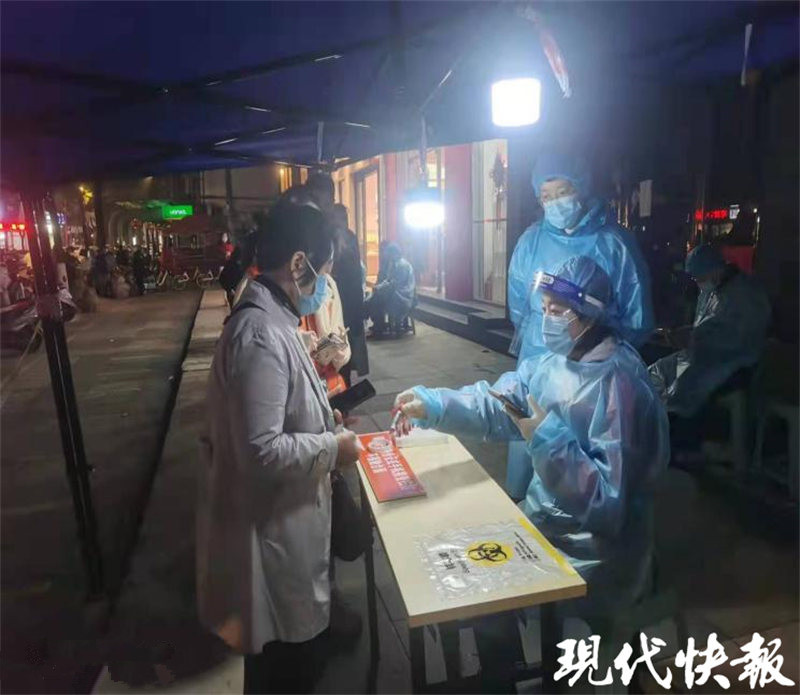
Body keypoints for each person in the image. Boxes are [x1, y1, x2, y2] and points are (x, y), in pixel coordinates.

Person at [395, 256, 669, 611]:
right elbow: (500, 403)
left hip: (596, 552)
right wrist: (434, 405)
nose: (546, 320)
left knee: (482, 602)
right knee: (467, 581)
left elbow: (607, 504)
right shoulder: (556, 362)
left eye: (557, 311)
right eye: (544, 309)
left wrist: (545, 440)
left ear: (589, 314)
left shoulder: (618, 384)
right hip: (547, 522)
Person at [196, 201, 362, 694]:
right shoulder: (260, 335)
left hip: (287, 525)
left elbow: (279, 413)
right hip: (273, 540)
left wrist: (323, 419)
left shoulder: (276, 323)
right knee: (288, 671)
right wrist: (332, 448)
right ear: (298, 263)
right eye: (322, 273)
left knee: (296, 657)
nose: (323, 286)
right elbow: (261, 450)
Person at [504, 147, 655, 501]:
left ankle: (569, 518)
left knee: (583, 467)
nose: (555, 202)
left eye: (563, 191)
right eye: (546, 196)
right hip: (537, 356)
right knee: (529, 434)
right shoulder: (531, 241)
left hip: (593, 372)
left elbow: (635, 317)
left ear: (582, 189)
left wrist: (593, 350)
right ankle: (523, 505)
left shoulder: (613, 243)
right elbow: (520, 305)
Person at [649, 243, 771, 419]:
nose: (698, 282)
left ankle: (674, 422)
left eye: (700, 277)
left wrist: (696, 338)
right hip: (703, 354)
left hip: (733, 361)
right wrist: (689, 333)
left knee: (684, 384)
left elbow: (741, 337)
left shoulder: (746, 293)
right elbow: (707, 324)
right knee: (656, 372)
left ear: (715, 269)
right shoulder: (711, 290)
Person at [298, 263, 352, 398]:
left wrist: (340, 350)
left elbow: (339, 330)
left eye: (331, 262)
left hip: (332, 384)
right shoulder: (287, 304)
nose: (329, 270)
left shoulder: (329, 287)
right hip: (306, 392)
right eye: (326, 263)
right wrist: (299, 343)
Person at [331, 204, 368, 385]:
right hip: (347, 298)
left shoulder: (343, 238)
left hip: (346, 298)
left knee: (344, 340)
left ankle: (345, 378)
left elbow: (349, 270)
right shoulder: (345, 237)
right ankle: (344, 378)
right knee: (343, 341)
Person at [365, 243, 415, 337]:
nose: (387, 256)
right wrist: (378, 287)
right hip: (396, 293)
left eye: (389, 254)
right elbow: (388, 280)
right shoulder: (395, 264)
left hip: (403, 296)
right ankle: (378, 326)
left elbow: (395, 283)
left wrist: (379, 288)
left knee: (376, 301)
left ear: (394, 253)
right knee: (375, 298)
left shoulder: (402, 265)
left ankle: (378, 328)